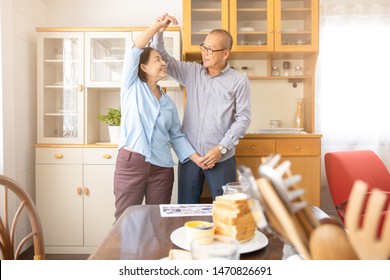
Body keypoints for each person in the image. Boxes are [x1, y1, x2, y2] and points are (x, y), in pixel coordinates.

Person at [151, 14, 251, 203]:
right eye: (204, 47)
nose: (205, 53)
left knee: (225, 211)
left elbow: (243, 119)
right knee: (186, 211)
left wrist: (220, 149)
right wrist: (159, 32)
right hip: (190, 157)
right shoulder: (191, 71)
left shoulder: (239, 81)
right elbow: (163, 58)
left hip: (221, 158)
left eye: (211, 50)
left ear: (225, 54)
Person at [113, 21, 206, 221]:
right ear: (143, 67)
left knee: (157, 221)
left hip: (162, 169)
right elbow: (134, 50)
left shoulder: (168, 104)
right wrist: (158, 27)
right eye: (157, 59)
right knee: (125, 220)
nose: (163, 62)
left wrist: (197, 158)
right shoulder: (131, 87)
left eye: (162, 59)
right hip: (132, 164)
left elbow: (177, 136)